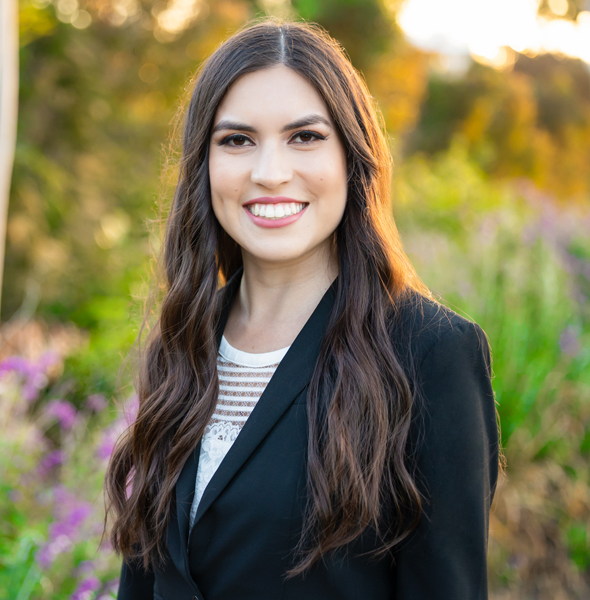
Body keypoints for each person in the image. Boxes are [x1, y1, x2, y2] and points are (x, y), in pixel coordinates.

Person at [104, 18, 500, 600]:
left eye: (305, 137)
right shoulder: (185, 340)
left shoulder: (430, 353)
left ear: (352, 157)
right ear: (204, 164)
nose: (269, 173)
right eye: (236, 140)